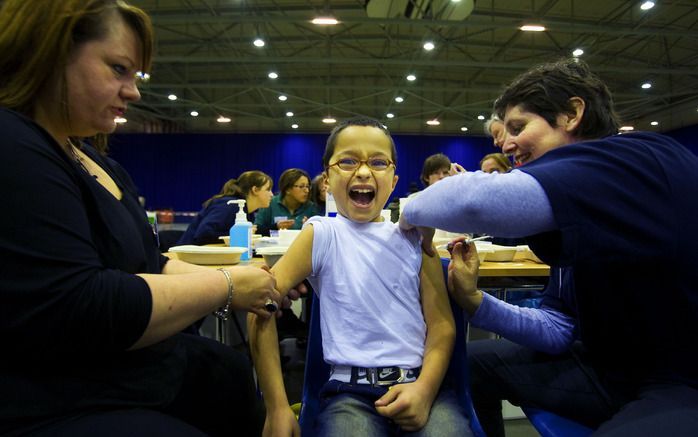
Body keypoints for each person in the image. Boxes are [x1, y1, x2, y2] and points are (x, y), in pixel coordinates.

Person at [0, 1, 281, 435]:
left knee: (228, 372)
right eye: (118, 69)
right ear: (51, 51)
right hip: (60, 396)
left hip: (134, 370)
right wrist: (227, 286)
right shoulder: (15, 146)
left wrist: (247, 277)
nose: (133, 91)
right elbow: (84, 304)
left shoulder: (96, 161)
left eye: (136, 76)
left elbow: (152, 261)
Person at [400, 58, 698, 436]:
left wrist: (411, 213)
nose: (506, 145)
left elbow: (471, 201)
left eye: (518, 127)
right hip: (609, 371)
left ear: (572, 113)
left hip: (684, 383)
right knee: (464, 366)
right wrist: (474, 300)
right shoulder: (573, 212)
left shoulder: (643, 159)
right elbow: (559, 328)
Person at [248, 117, 472, 437]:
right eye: (348, 161)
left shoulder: (416, 238)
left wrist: (424, 390)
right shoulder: (323, 234)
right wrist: (278, 407)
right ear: (327, 177)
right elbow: (260, 306)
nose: (364, 172)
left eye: (379, 162)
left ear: (393, 180)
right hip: (349, 394)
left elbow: (442, 326)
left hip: (421, 384)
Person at [178, 171, 273, 245]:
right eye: (268, 189)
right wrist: (239, 235)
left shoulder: (247, 211)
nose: (272, 194)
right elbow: (203, 235)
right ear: (255, 190)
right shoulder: (229, 205)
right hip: (188, 259)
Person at [254, 168, 319, 236]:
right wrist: (276, 227)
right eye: (301, 186)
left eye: (308, 186)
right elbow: (256, 230)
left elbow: (319, 235)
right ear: (287, 189)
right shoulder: (270, 203)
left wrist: (311, 229)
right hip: (273, 246)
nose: (307, 191)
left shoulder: (311, 207)